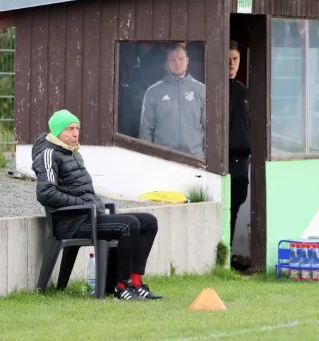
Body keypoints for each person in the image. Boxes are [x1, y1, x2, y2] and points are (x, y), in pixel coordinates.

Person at [32, 110, 162, 301]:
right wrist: (83, 204)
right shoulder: (48, 154)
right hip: (70, 223)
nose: (76, 133)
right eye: (70, 129)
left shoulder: (74, 153)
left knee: (149, 222)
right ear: (58, 132)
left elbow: (84, 190)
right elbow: (46, 193)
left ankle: (136, 283)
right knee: (129, 225)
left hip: (89, 217)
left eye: (77, 128)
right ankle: (120, 286)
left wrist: (95, 204)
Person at [139, 43, 206, 157]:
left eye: (180, 59)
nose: (177, 63)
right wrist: (148, 158)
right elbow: (146, 129)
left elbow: (209, 127)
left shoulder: (201, 90)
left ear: (187, 60)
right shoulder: (154, 91)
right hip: (163, 159)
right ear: (166, 64)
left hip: (195, 158)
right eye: (173, 60)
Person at [228, 40, 251, 247]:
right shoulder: (214, 90)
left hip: (242, 160)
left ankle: (228, 253)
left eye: (235, 59)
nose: (232, 64)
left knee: (235, 208)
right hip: (223, 159)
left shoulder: (244, 92)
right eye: (227, 59)